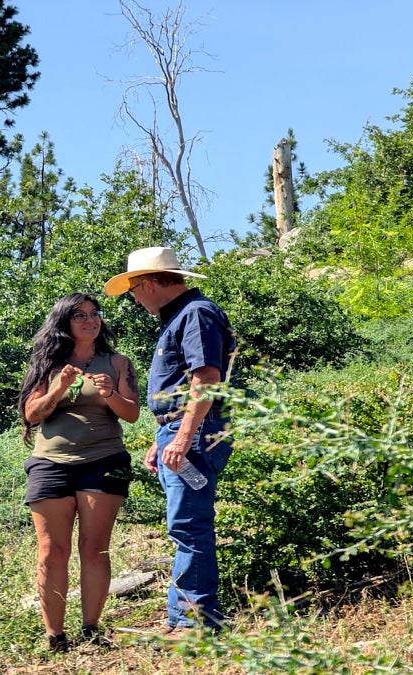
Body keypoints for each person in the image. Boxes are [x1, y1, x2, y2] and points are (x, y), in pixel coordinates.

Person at [104, 246, 236, 638]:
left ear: (148, 284)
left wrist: (182, 436)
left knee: (189, 526)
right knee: (186, 524)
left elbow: (206, 379)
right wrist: (164, 438)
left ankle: (194, 622)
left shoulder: (195, 313)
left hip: (195, 432)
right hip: (184, 431)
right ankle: (185, 617)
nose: (134, 299)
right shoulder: (183, 315)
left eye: (133, 290)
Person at [17, 293, 141, 653]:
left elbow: (132, 414)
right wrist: (58, 388)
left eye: (94, 313)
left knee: (94, 548)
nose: (90, 320)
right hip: (50, 464)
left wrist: (110, 393)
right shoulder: (47, 363)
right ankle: (55, 636)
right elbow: (31, 414)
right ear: (64, 323)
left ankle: (90, 629)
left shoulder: (117, 362)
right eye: (80, 315)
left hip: (104, 460)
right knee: (51, 551)